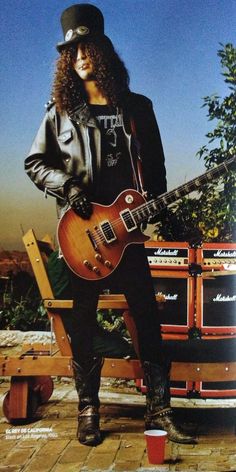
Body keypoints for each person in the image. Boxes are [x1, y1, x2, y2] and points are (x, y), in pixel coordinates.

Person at [25, 4, 195, 446]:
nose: (81, 55)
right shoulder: (59, 112)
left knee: (149, 320)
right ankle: (88, 411)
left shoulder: (138, 108)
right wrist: (68, 187)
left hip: (129, 236)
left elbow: (154, 174)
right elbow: (35, 162)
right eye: (72, 49)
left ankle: (161, 412)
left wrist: (164, 209)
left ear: (103, 51)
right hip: (82, 238)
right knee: (82, 322)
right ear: (67, 59)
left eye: (88, 46)